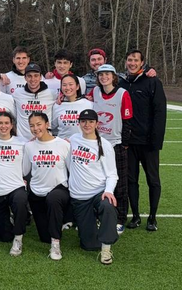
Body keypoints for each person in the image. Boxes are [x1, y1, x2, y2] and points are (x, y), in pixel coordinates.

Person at [119, 49, 166, 232]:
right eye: (129, 60)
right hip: (129, 142)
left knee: (153, 180)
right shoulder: (121, 82)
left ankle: (153, 217)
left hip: (148, 143)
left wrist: (156, 141)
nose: (132, 63)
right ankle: (136, 216)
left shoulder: (152, 81)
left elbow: (160, 112)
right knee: (131, 180)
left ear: (142, 63)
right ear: (125, 62)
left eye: (135, 60)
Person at [69, 109, 119, 265]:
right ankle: (96, 224)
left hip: (98, 193)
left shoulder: (105, 145)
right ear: (79, 123)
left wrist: (108, 191)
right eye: (83, 121)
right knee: (89, 245)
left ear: (97, 124)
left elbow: (112, 174)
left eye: (91, 121)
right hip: (80, 197)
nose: (87, 125)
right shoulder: (73, 139)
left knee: (108, 205)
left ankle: (106, 248)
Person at [23, 112, 71, 261]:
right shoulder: (29, 146)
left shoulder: (63, 144)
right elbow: (24, 170)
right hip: (37, 193)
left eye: (39, 124)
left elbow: (72, 170)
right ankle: (57, 222)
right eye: (32, 125)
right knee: (44, 237)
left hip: (58, 190)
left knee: (53, 199)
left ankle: (56, 245)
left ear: (47, 124)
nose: (35, 128)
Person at [93, 64, 133, 234]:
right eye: (101, 75)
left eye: (107, 74)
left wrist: (124, 143)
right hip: (97, 144)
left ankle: (120, 218)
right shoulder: (95, 92)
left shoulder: (122, 93)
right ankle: (101, 216)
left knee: (120, 184)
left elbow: (128, 120)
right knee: (100, 182)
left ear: (114, 76)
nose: (104, 77)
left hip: (115, 144)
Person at [0, 112, 29, 256]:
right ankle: (10, 220)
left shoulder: (22, 142)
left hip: (16, 186)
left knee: (20, 201)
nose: (3, 126)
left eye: (6, 123)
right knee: (4, 237)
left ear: (12, 125)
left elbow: (27, 164)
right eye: (0, 123)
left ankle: (18, 238)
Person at [13, 63, 56, 139]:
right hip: (22, 140)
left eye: (36, 76)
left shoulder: (52, 94)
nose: (33, 79)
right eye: (29, 76)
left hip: (44, 140)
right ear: (25, 78)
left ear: (40, 77)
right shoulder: (17, 93)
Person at [51, 74, 93, 139]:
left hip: (81, 143)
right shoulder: (57, 105)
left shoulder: (89, 104)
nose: (67, 88)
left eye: (70, 84)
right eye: (64, 85)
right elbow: (52, 126)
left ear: (77, 86)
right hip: (63, 143)